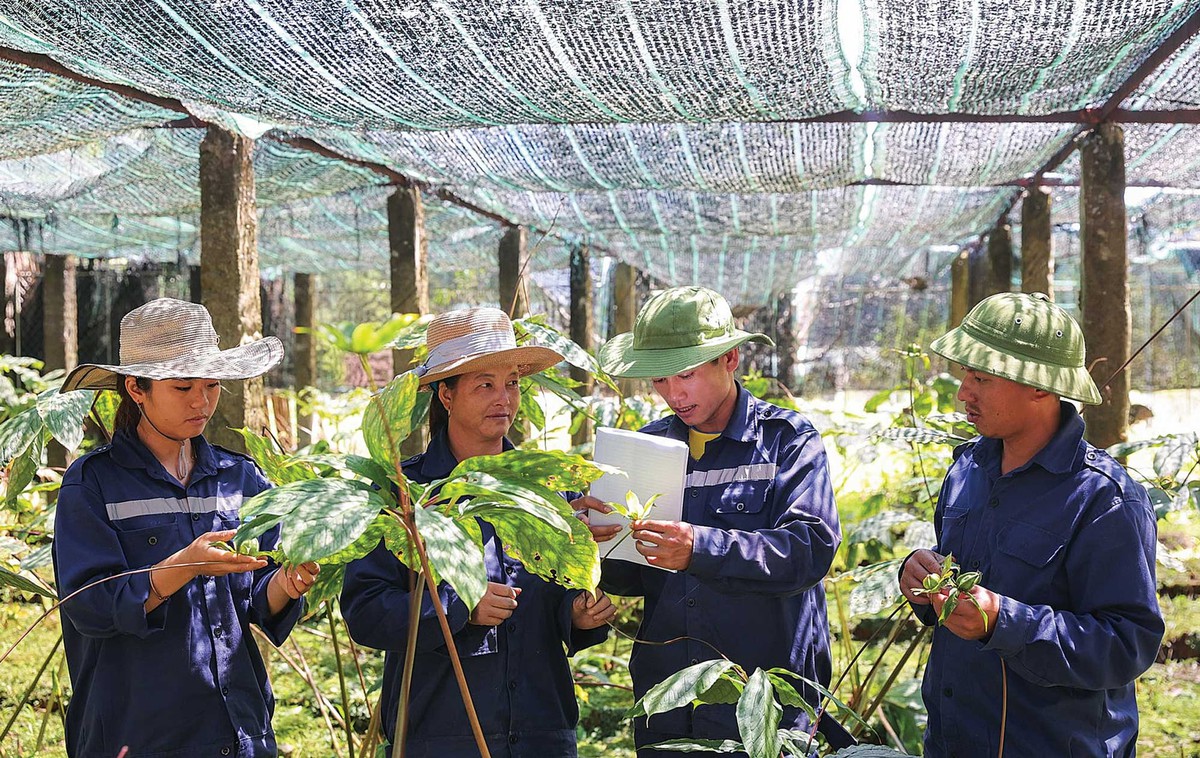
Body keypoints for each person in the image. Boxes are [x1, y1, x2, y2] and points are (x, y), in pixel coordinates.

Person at [574, 286, 845, 754]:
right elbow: (630, 574)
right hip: (671, 698)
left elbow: (809, 550)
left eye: (686, 375)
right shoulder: (646, 450)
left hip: (765, 703)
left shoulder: (787, 442)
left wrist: (700, 547)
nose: (673, 394)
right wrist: (590, 542)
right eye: (659, 380)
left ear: (731, 359)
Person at [340, 307, 615, 758]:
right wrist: (457, 607)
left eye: (511, 383)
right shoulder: (402, 494)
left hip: (542, 733)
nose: (503, 398)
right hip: (438, 736)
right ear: (445, 395)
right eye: (484, 385)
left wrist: (578, 614)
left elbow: (554, 598)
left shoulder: (548, 487)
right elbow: (366, 611)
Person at [898, 292, 1164, 757]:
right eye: (965, 374)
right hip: (955, 739)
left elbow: (1126, 644)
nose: (964, 392)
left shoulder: (1103, 499)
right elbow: (958, 590)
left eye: (980, 377)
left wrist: (1005, 620)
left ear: (1039, 387)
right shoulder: (968, 470)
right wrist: (924, 582)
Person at [53, 297, 320, 758]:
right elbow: (89, 606)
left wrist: (289, 583)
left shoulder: (241, 478)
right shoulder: (93, 482)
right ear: (136, 389)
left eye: (213, 384)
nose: (202, 401)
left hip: (238, 730)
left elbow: (258, 599)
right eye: (182, 387)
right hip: (137, 735)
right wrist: (182, 567)